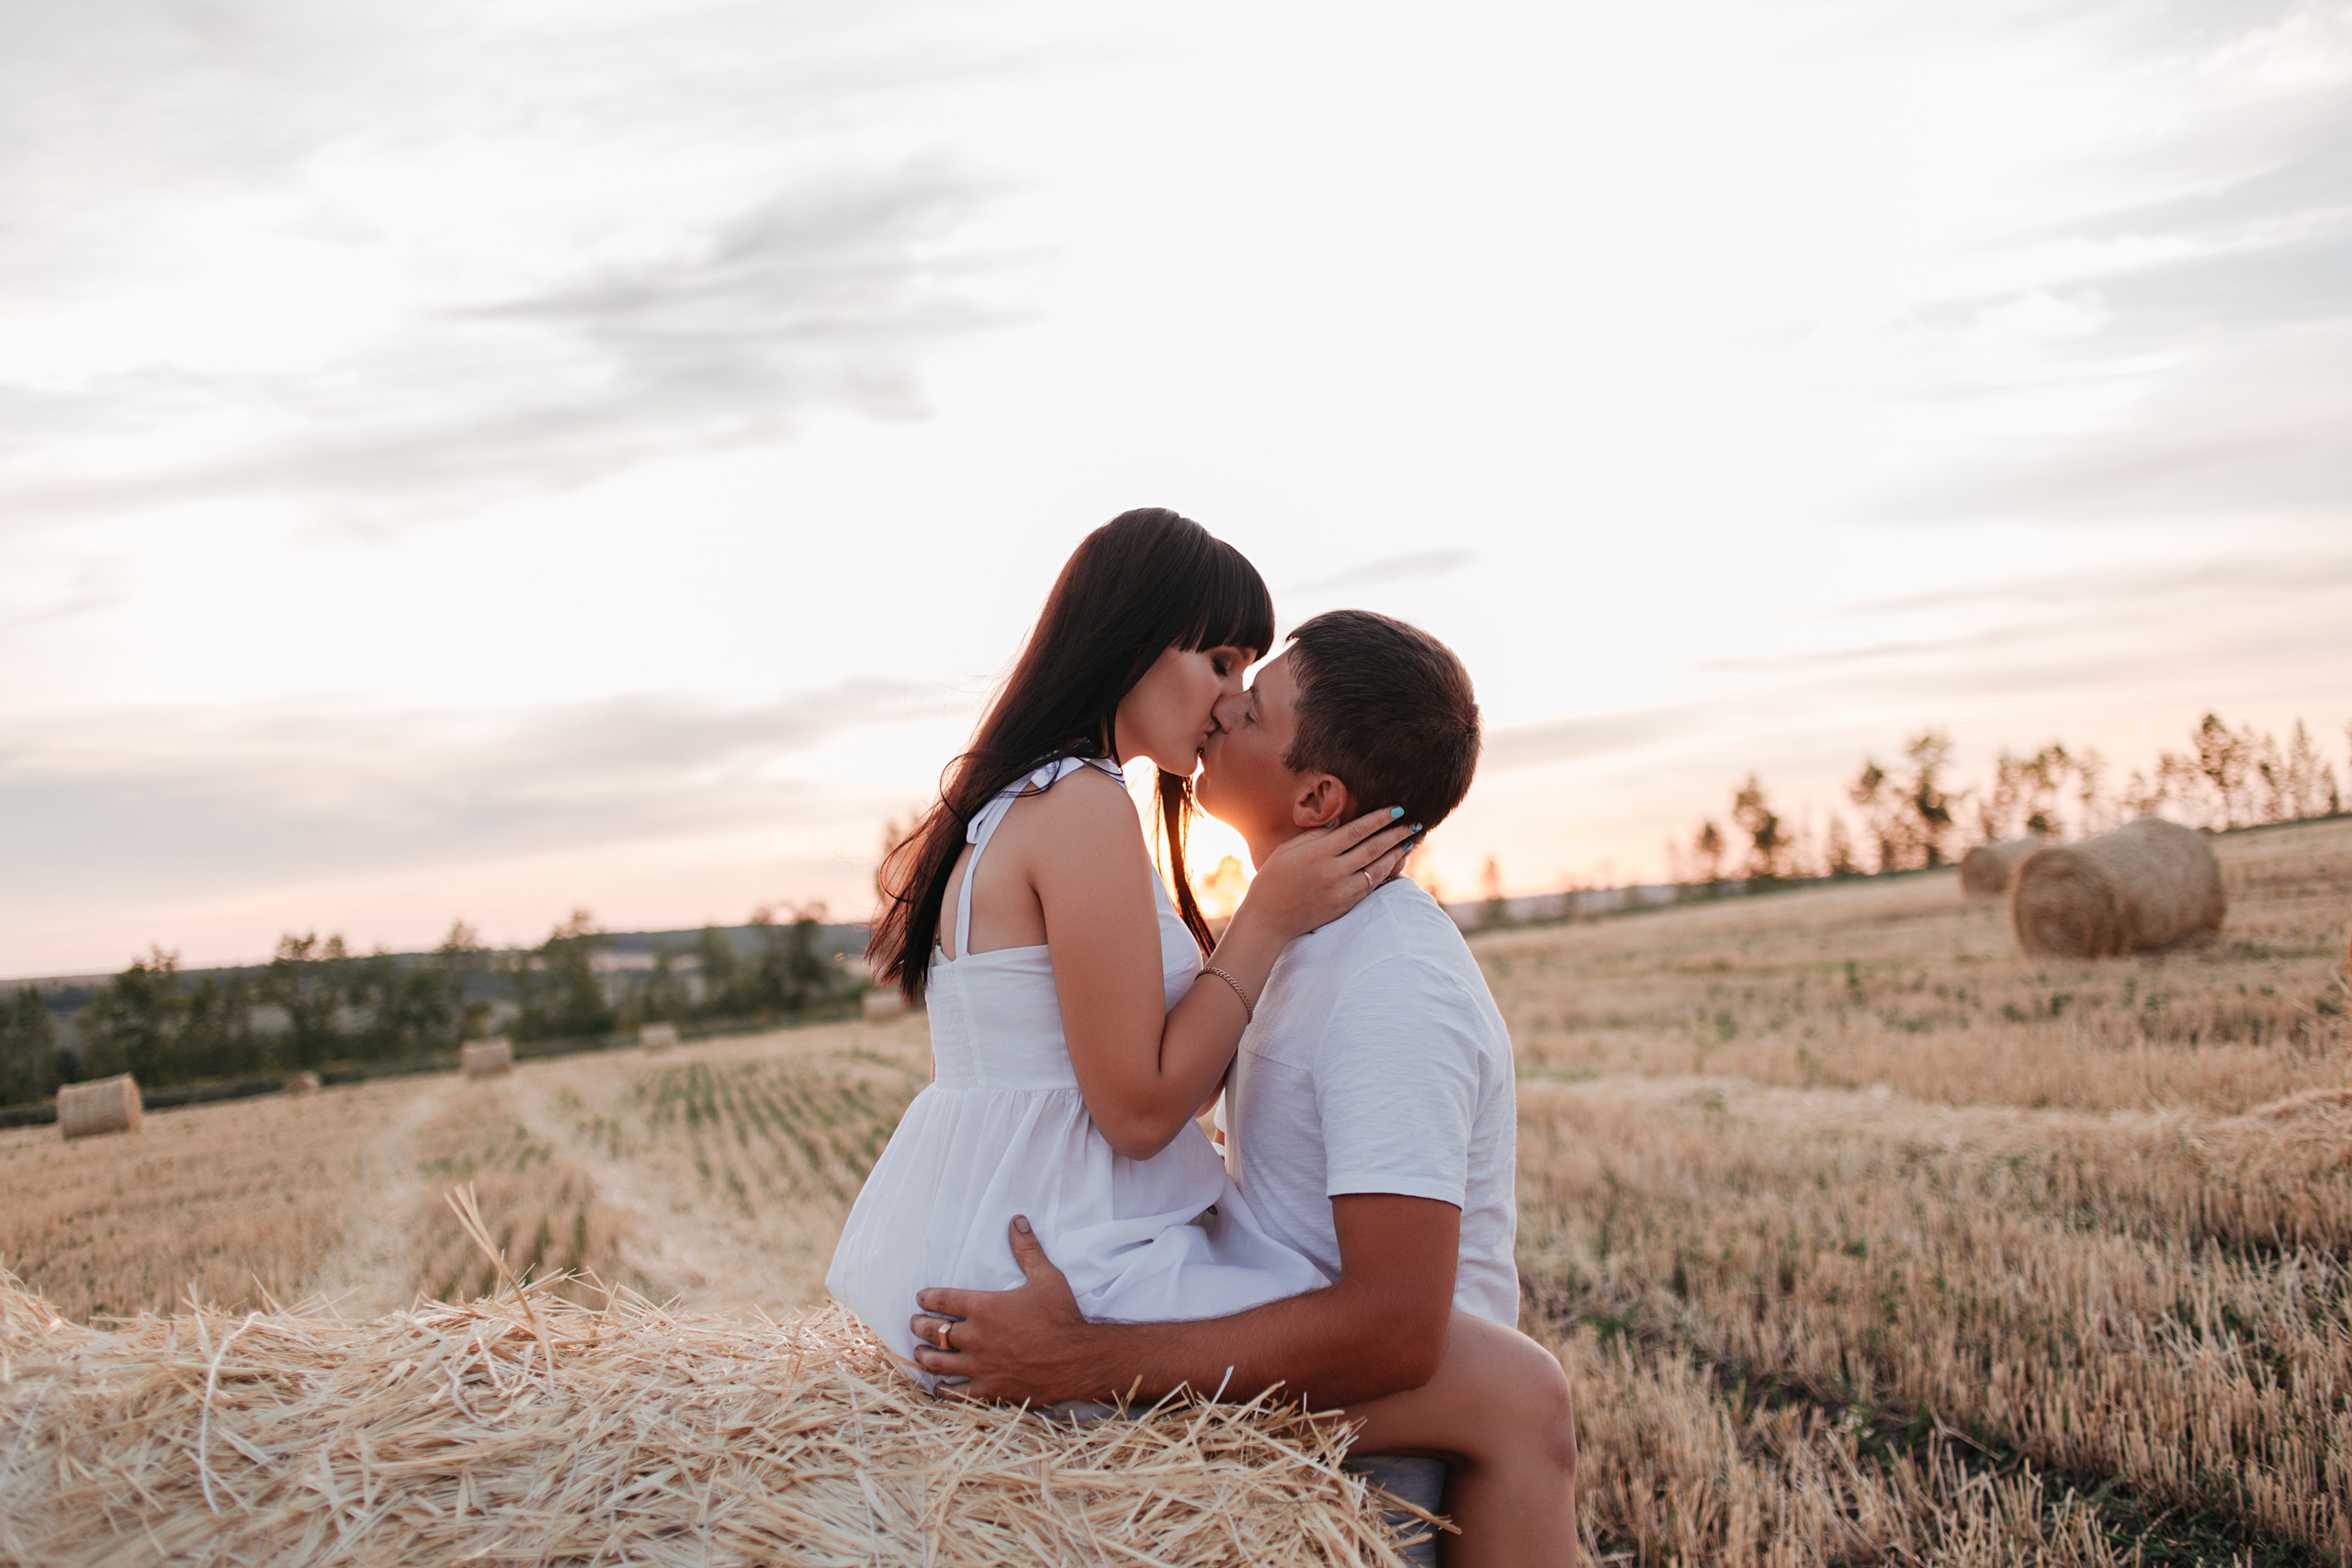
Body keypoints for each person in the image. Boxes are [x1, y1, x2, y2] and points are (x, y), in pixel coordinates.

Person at [904, 609, 1577, 1568]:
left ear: (1316, 798)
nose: (1221, 711)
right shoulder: (1297, 940)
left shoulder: (1391, 981)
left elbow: (1393, 1332)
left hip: (1366, 1479)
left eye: (1251, 707)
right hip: (1272, 1421)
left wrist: (1080, 1362)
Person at [829, 508, 1418, 1359]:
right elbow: (1139, 1113)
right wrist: (1267, 917)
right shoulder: (1083, 805)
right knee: (1443, 1363)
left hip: (1009, 1230)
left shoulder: (1018, 803)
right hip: (1070, 1256)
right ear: (1133, 639)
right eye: (1219, 661)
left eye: (1247, 670)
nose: (1232, 701)